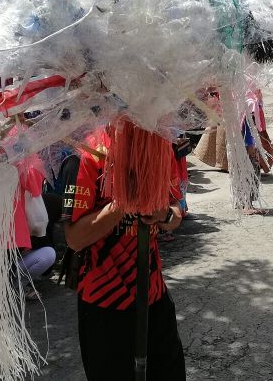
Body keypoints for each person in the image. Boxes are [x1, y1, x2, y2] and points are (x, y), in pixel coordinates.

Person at [61, 128, 186, 380]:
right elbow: (74, 239)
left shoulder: (161, 147)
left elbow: (176, 211)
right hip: (103, 302)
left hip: (153, 294)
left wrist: (164, 215)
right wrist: (123, 201)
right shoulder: (87, 154)